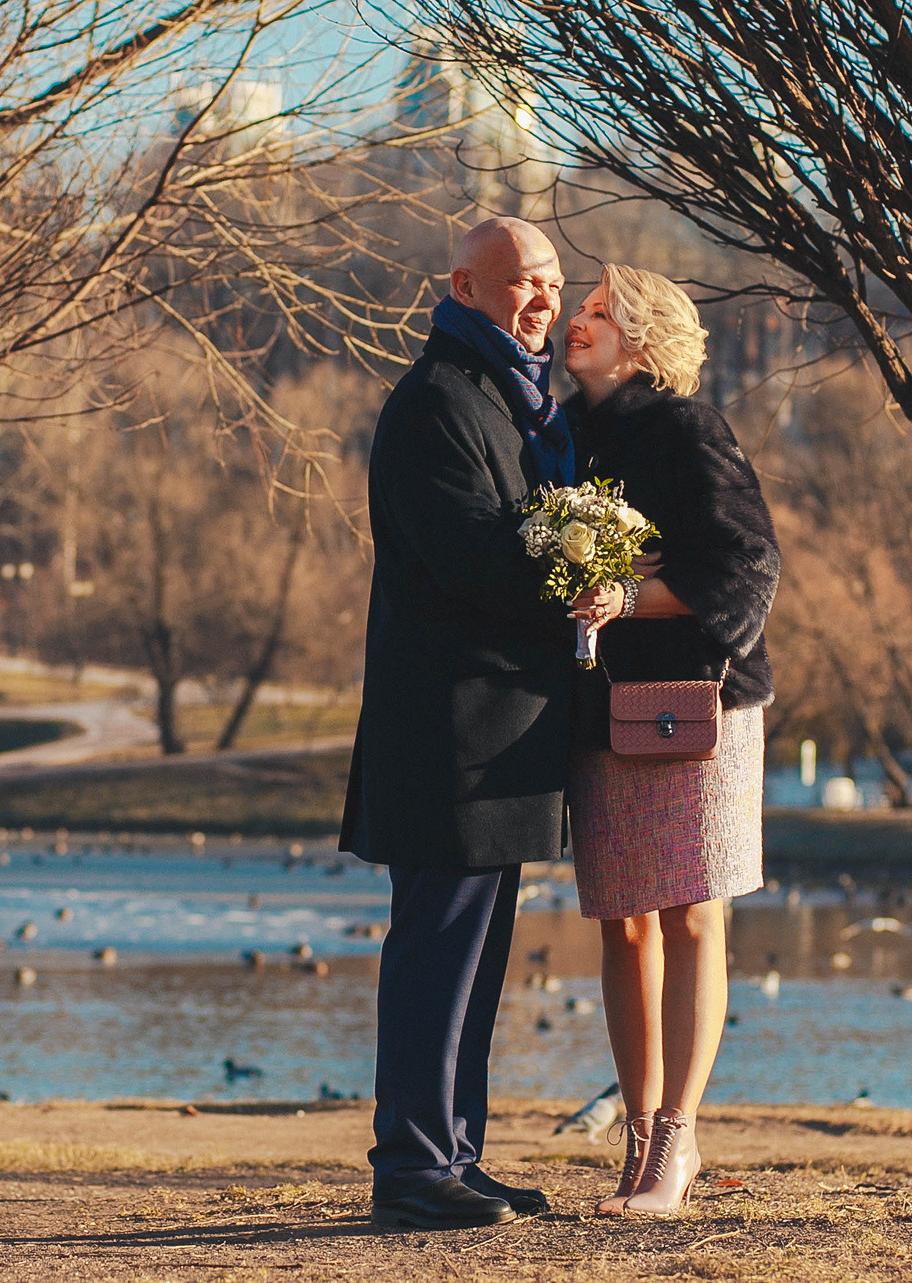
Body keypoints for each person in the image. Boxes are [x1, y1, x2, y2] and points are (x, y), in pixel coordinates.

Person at [339, 217, 598, 1230]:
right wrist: (591, 564)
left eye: (550, 279)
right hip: (445, 732)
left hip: (502, 731)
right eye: (519, 280)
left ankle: (454, 1153)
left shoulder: (513, 399)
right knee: (433, 956)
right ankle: (408, 1169)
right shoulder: (438, 401)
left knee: (477, 962)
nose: (539, 296)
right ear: (464, 285)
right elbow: (476, 559)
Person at [560, 263, 780, 1216]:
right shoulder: (559, 434)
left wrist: (629, 593)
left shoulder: (689, 428)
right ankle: (639, 1138)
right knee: (621, 916)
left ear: (641, 338)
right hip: (603, 704)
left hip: (703, 705)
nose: (578, 321)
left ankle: (677, 1144)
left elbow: (748, 561)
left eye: (600, 313)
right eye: (581, 308)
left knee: (695, 913)